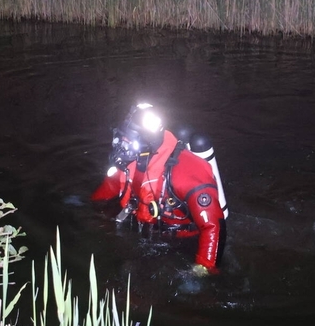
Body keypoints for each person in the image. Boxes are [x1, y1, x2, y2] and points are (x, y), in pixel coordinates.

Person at [91, 102, 227, 276]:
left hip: (187, 243)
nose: (123, 148)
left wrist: (202, 270)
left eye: (129, 142)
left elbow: (213, 227)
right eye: (122, 140)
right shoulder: (128, 164)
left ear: (145, 144)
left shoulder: (186, 172)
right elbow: (103, 196)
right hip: (148, 234)